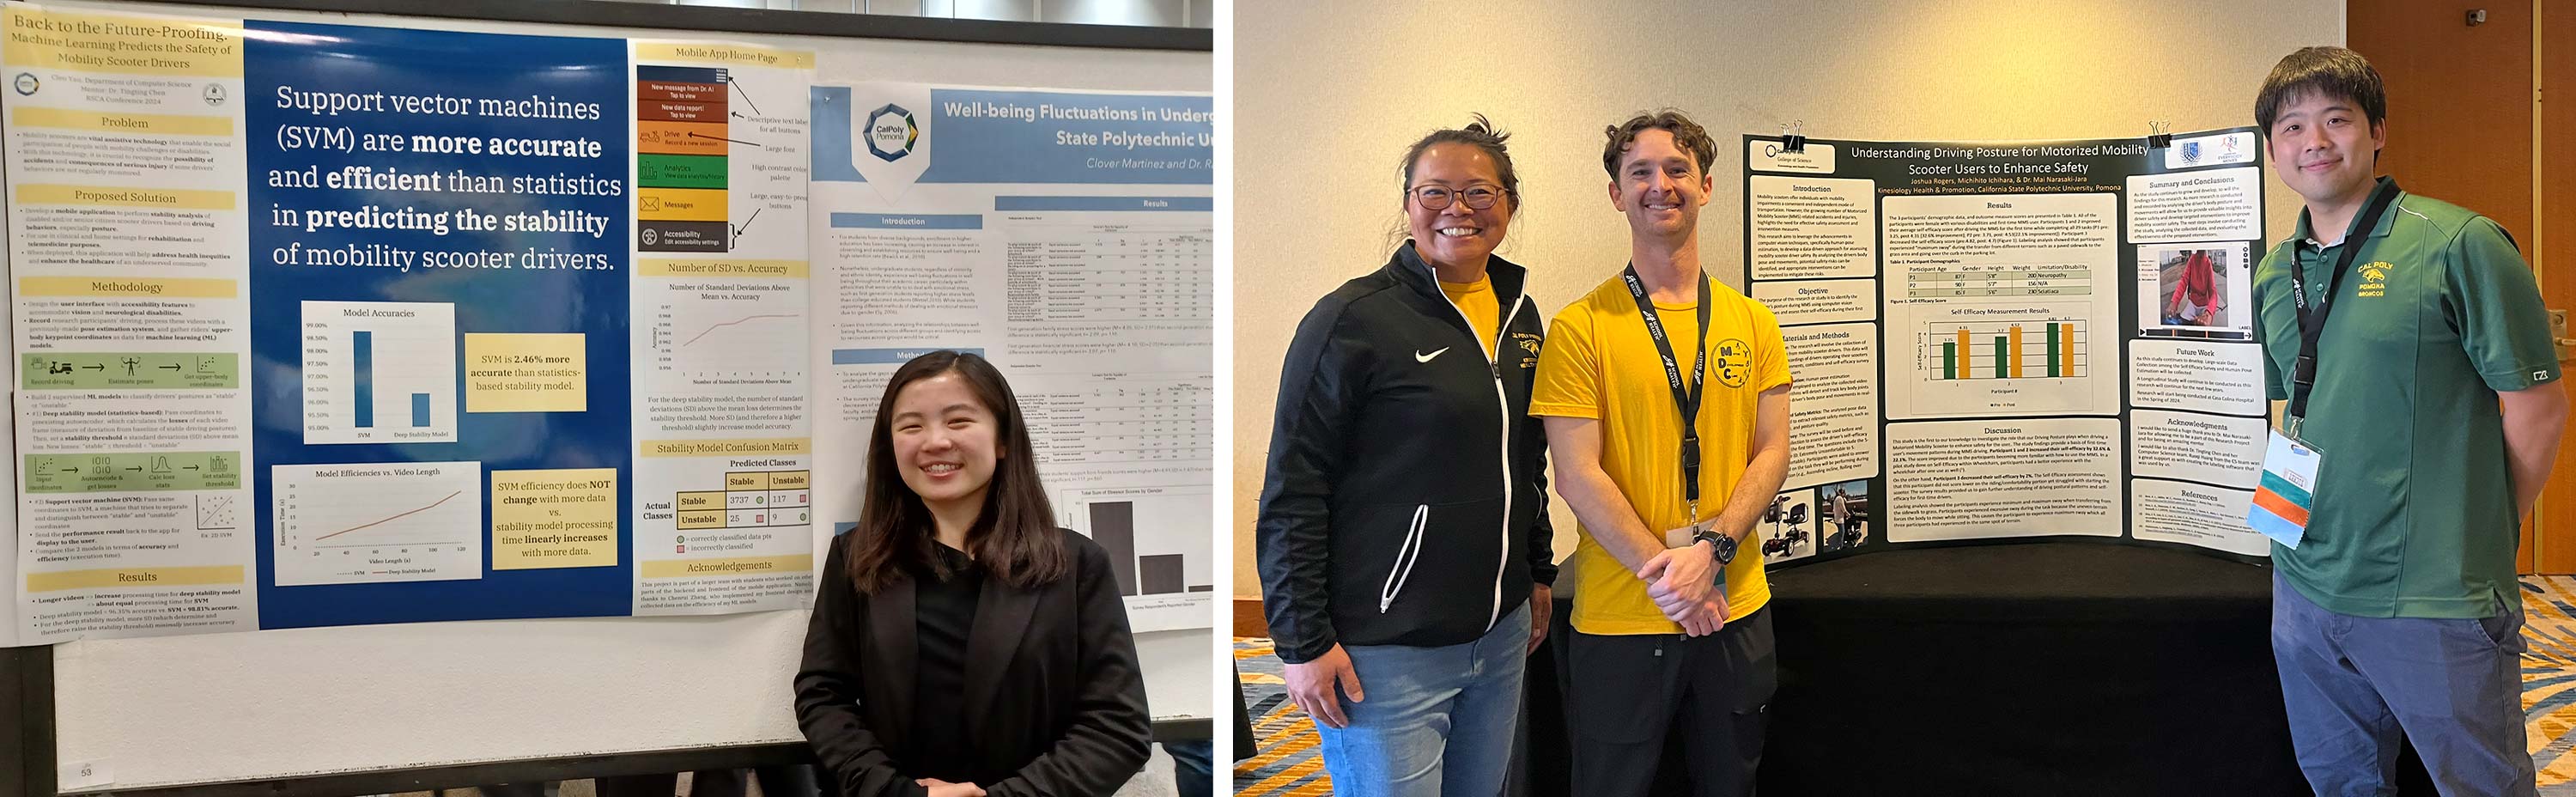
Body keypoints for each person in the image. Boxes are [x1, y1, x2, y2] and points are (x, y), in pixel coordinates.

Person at [2250, 46, 2567, 796]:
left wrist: (2483, 529)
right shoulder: (2274, 271)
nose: (2315, 141)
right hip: (2304, 583)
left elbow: (2537, 405)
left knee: (2481, 785)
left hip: (2432, 595)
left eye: (2337, 118)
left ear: (2378, 130)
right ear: (2273, 151)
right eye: (2293, 127)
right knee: (2340, 780)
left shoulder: (2459, 245)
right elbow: (2299, 411)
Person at [1255, 114, 1557, 796]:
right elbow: (1294, 488)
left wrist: (1536, 570)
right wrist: (1301, 642)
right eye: (1435, 192)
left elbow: (1525, 459)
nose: (1458, 209)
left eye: (1480, 192)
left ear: (1509, 204)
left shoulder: (1522, 319)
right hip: (1384, 654)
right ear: (1408, 205)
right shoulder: (1352, 321)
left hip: (1501, 636)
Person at [1530, 109, 1791, 797]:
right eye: (1639, 171)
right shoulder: (1579, 327)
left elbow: (1772, 453)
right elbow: (1576, 475)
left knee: (1731, 782)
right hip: (1622, 613)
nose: (1660, 184)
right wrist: (1675, 581)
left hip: (1733, 604)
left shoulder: (1753, 322)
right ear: (1616, 193)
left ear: (1706, 186)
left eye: (1677, 169)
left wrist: (1712, 555)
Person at [796, 350, 1153, 797]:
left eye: (959, 421)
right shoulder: (857, 557)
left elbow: (1118, 726)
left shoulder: (1076, 564)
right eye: (911, 426)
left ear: (1003, 440)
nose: (935, 442)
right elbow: (822, 694)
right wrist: (894, 792)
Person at [2165, 250, 2224, 325]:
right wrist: (2174, 302)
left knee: (2203, 327)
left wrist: (2209, 313)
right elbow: (2183, 281)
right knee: (2182, 324)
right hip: (2193, 303)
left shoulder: (2208, 263)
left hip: (2204, 305)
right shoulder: (2192, 260)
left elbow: (2213, 292)